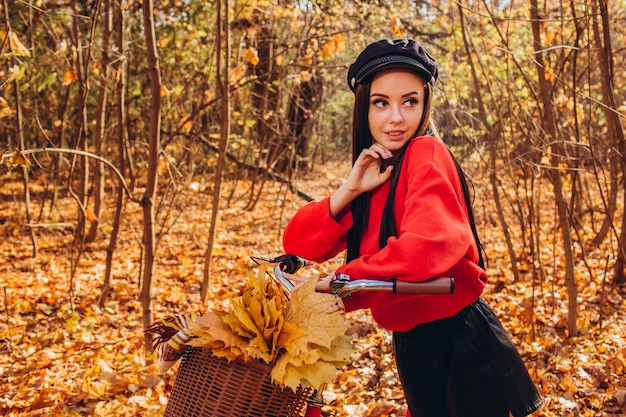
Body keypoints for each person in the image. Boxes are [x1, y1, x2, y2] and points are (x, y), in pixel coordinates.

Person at [281, 38, 543, 417]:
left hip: (460, 339)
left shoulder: (425, 152)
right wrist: (350, 189)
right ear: (364, 107)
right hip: (411, 344)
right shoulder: (378, 171)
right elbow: (299, 242)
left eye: (410, 101)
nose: (396, 118)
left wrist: (340, 284)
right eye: (381, 103)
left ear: (425, 104)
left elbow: (426, 247)